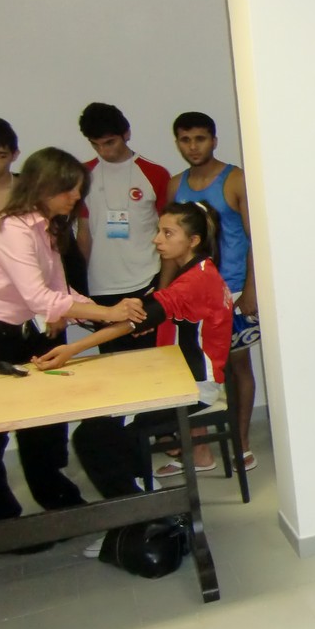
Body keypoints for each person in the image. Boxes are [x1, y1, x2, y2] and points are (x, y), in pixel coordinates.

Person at [0, 148, 145, 529]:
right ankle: (1, 524)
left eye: (78, 189)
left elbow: (61, 291)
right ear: (43, 186)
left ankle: (59, 505)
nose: (75, 197)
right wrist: (108, 313)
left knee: (45, 426)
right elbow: (41, 299)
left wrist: (114, 311)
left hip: (22, 334)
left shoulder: (47, 227)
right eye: (69, 189)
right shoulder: (9, 229)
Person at [36, 201, 234, 498]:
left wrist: (71, 349)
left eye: (168, 233)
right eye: (159, 231)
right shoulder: (201, 271)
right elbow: (160, 314)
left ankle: (139, 504)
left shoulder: (195, 281)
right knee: (103, 420)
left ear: (193, 240)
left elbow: (131, 321)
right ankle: (140, 486)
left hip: (194, 387)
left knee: (93, 435)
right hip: (180, 376)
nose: (157, 240)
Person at [167, 111, 258, 474]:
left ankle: (242, 443)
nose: (193, 147)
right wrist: (163, 295)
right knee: (193, 370)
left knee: (237, 367)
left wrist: (251, 289)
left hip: (232, 290)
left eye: (200, 139)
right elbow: (170, 246)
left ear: (214, 140)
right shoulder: (175, 186)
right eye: (185, 140)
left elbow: (255, 238)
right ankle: (200, 450)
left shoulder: (235, 179)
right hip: (191, 294)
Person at [76, 103, 171, 352]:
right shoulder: (83, 175)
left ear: (126, 134)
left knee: (151, 359)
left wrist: (164, 287)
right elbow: (83, 233)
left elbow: (169, 232)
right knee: (112, 362)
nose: (104, 151)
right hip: (101, 285)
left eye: (110, 142)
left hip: (146, 280)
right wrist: (80, 286)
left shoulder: (155, 174)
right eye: (96, 144)